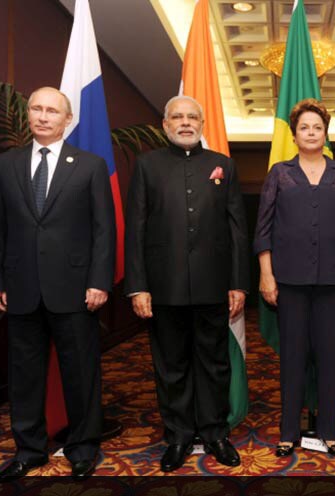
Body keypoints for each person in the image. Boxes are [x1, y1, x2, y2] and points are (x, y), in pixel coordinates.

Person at [0, 87, 116, 481]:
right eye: (36, 109)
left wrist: (99, 281)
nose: (43, 116)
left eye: (52, 111)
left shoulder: (90, 166)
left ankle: (82, 447)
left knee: (81, 373)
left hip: (76, 289)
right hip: (20, 287)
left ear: (67, 120)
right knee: (24, 375)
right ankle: (29, 449)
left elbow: (103, 231)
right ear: (28, 115)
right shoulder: (4, 165)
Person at [124, 95, 249, 471]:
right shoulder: (147, 166)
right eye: (176, 116)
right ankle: (178, 435)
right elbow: (136, 230)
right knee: (171, 365)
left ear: (202, 123)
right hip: (163, 288)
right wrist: (137, 286)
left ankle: (214, 433)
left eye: (192, 117)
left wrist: (239, 284)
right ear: (165, 125)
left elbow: (237, 230)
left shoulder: (222, 166)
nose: (185, 122)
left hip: (214, 286)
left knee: (214, 363)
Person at [254, 99, 335, 458]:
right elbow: (264, 229)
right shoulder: (279, 172)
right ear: (294, 133)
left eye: (317, 127)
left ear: (325, 132)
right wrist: (266, 275)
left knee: (330, 356)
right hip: (289, 283)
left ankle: (329, 431)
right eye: (304, 127)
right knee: (292, 358)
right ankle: (288, 431)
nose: (311, 132)